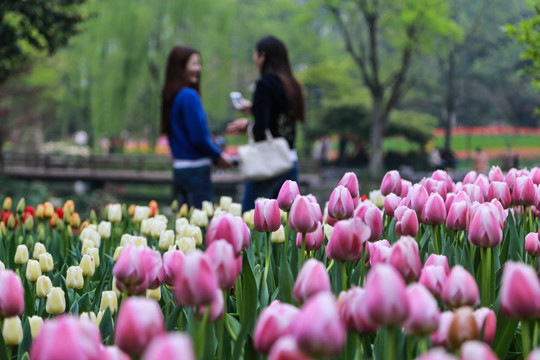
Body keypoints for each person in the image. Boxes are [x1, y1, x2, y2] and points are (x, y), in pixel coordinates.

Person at [227, 35, 305, 211]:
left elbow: (261, 130)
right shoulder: (292, 84)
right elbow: (279, 118)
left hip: (268, 164)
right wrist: (254, 108)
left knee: (252, 220)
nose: (254, 59)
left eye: (255, 55)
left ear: (262, 56)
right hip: (290, 160)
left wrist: (245, 126)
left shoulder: (264, 84)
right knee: (286, 226)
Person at [161, 45, 232, 209]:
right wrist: (218, 155)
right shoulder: (189, 95)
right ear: (180, 67)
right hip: (196, 171)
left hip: (180, 169)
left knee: (185, 225)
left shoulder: (172, 96)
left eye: (199, 64)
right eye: (194, 64)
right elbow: (198, 137)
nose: (199, 68)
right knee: (200, 225)